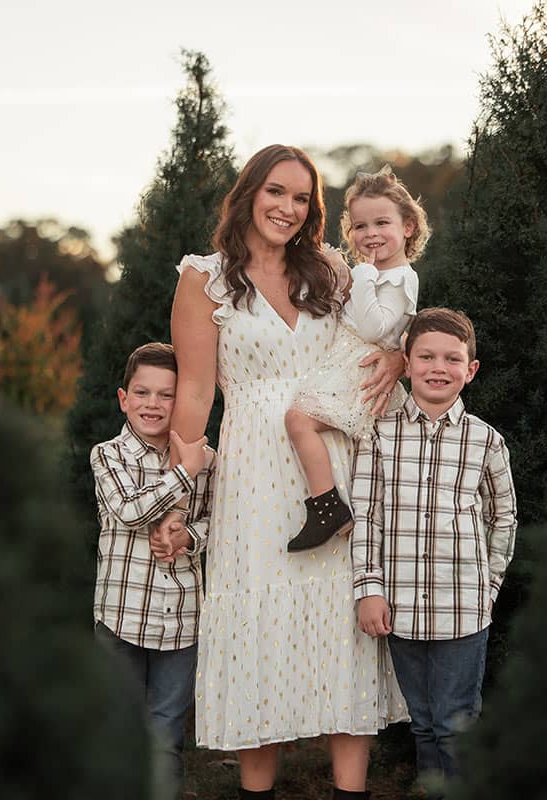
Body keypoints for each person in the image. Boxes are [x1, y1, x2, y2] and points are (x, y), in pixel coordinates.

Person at [166, 144, 408, 800]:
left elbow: (385, 327)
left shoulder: (331, 269)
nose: (287, 208)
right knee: (258, 628)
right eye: (276, 192)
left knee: (340, 618)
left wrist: (400, 358)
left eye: (302, 199)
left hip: (332, 463)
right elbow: (194, 396)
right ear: (249, 194)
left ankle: (350, 789)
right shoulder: (205, 279)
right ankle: (258, 791)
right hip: (251, 474)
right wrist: (176, 499)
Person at [349, 308, 518, 799]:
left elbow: (502, 518)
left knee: (455, 726)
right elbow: (368, 517)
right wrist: (369, 590)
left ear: (471, 369)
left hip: (462, 613)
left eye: (451, 358)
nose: (437, 367)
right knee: (422, 724)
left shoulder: (485, 441)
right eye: (426, 357)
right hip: (398, 611)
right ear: (407, 362)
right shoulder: (379, 435)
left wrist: (487, 590)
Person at [90, 342, 215, 800]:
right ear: (124, 398)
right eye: (143, 393)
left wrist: (189, 537)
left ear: (182, 401)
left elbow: (218, 522)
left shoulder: (209, 462)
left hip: (181, 622)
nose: (153, 404)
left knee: (165, 737)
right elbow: (129, 510)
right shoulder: (108, 456)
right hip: (121, 618)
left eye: (167, 395)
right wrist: (184, 473)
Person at [284, 165, 430, 552]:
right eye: (361, 226)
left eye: (382, 222)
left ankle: (327, 506)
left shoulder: (400, 278)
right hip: (347, 361)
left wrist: (361, 276)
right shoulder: (376, 273)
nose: (371, 234)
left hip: (361, 367)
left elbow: (375, 329)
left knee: (298, 420)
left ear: (408, 227)